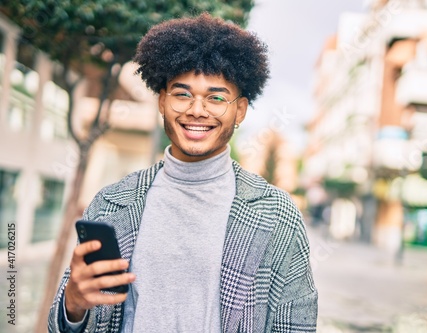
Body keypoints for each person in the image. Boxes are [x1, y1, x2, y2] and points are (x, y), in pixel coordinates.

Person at [48, 13, 318, 332]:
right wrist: (73, 305)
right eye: (182, 94)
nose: (197, 110)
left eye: (216, 98)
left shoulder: (276, 216)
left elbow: (297, 326)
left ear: (240, 110)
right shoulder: (112, 204)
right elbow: (63, 323)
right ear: (162, 101)